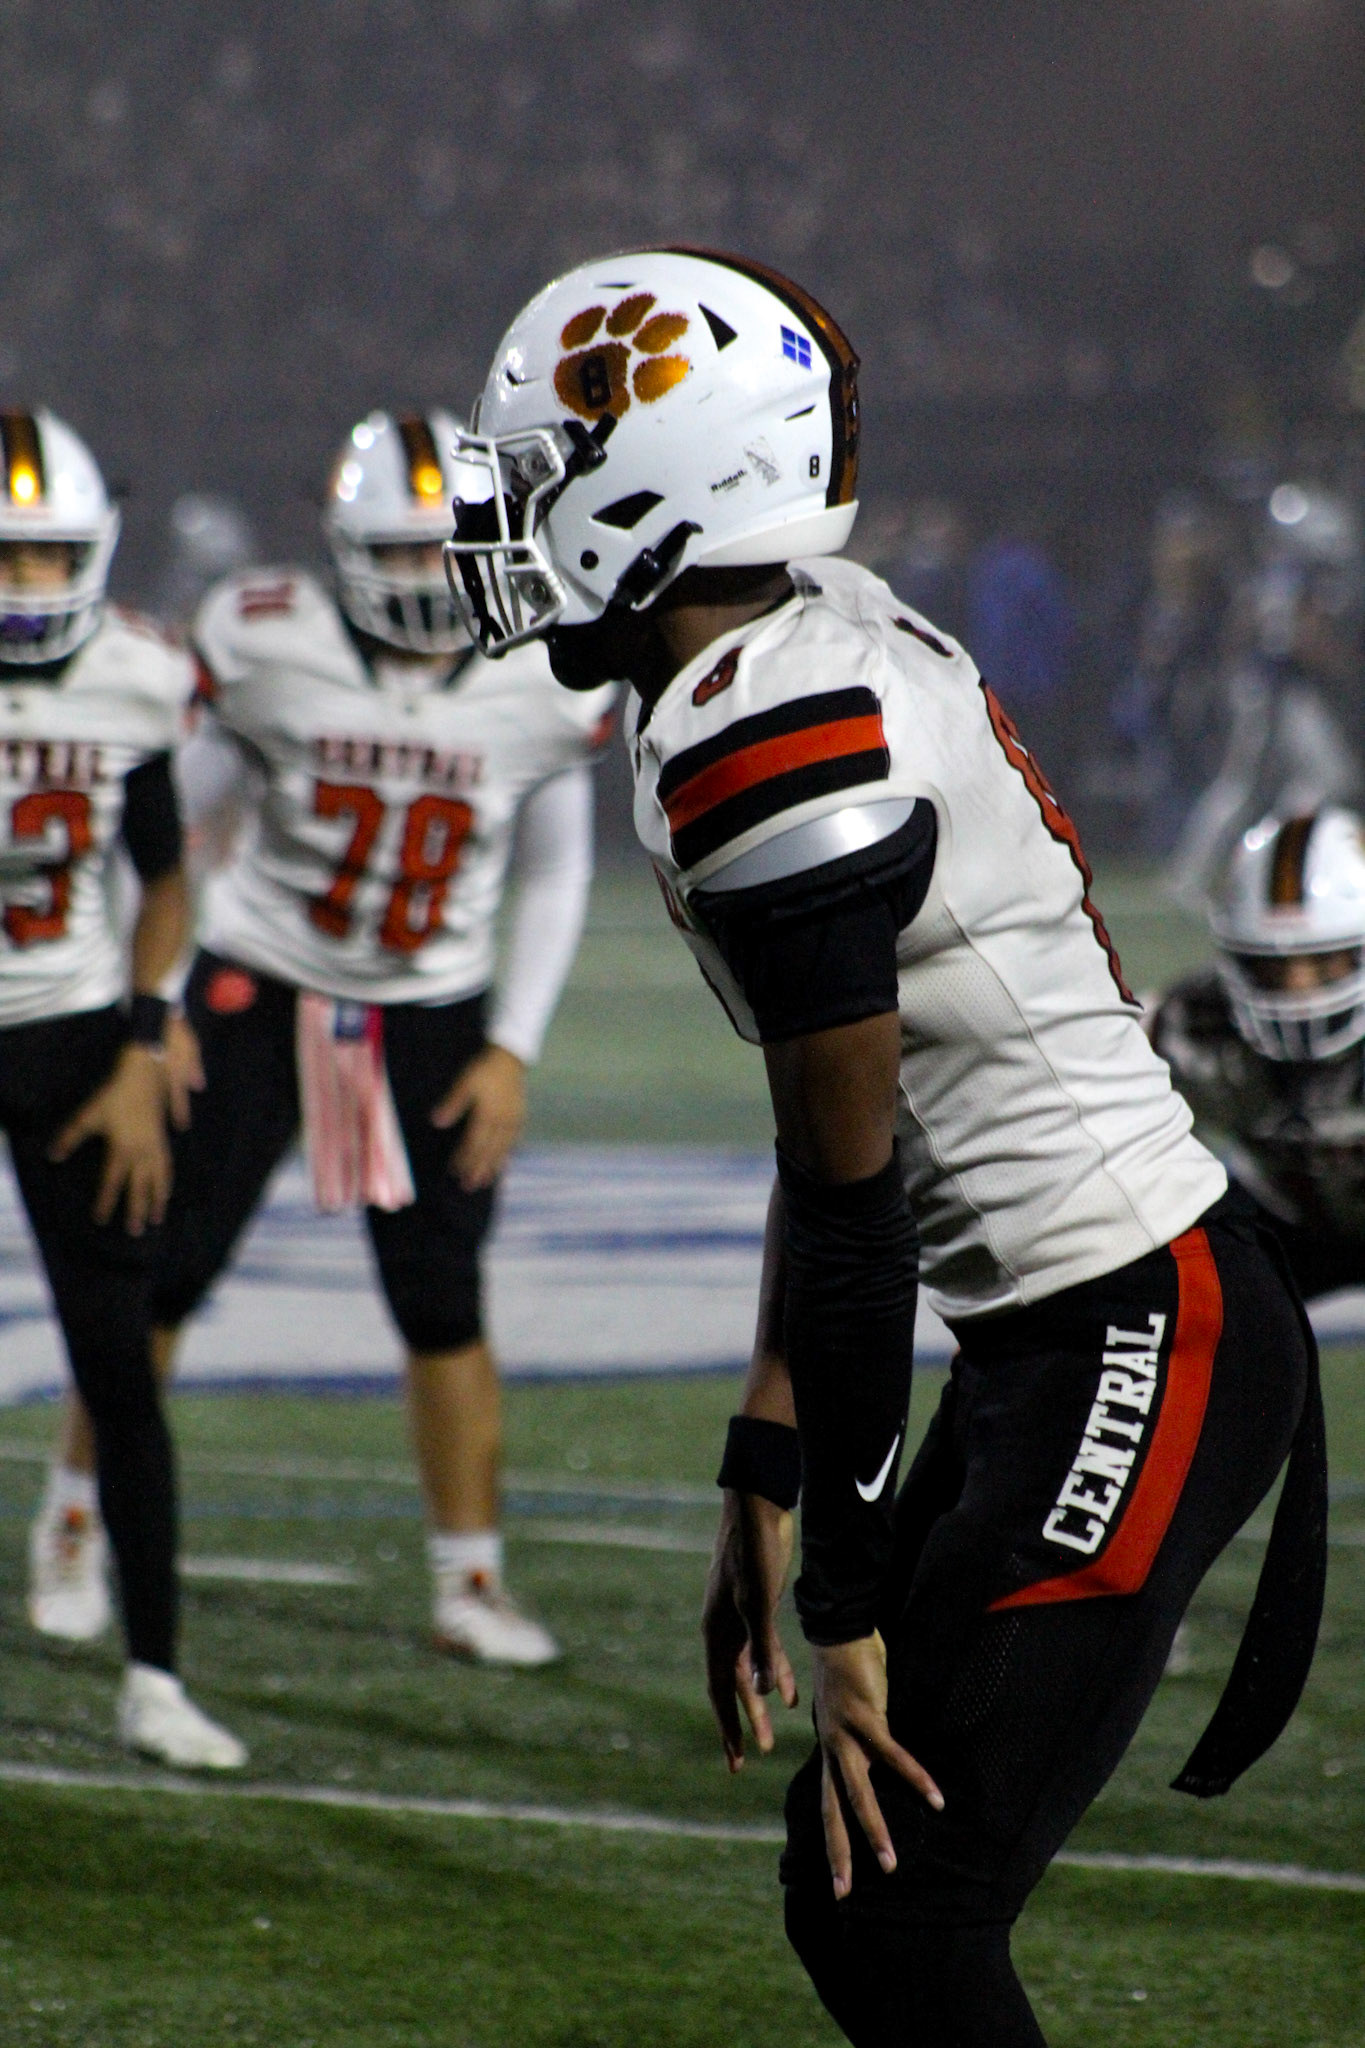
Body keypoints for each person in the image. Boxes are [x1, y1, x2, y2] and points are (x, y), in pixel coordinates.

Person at [446, 249, 1326, 2045]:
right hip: (1073, 1323)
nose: (506, 521)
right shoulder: (788, 640)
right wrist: (763, 1464)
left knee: (901, 1906)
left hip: (1136, 1320)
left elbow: (858, 1213)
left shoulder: (774, 740)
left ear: (668, 491)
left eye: (543, 477)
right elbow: (835, 1139)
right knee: (858, 1891)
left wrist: (844, 1596)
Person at [35, 409, 614, 1668]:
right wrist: (155, 1010)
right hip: (256, 989)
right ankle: (73, 1521)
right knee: (156, 1270)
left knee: (443, 1300)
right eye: (399, 549)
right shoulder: (269, 644)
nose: (426, 576)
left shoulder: (542, 671)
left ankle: (470, 1580)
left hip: (432, 1010)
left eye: (444, 548)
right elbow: (168, 843)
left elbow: (558, 870)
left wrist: (512, 1045)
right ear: (345, 549)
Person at [3, 407, 245, 1768]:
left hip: (73, 1037)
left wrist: (150, 1040)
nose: (27, 582)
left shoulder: (138, 675)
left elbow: (164, 877)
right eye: (5, 556)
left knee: (121, 1364)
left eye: (45, 555)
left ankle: (154, 1676)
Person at [1151, 803, 1365, 1302]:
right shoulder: (1193, 1026)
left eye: (1325, 963)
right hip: (1284, 1226)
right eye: (1271, 967)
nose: (1300, 992)